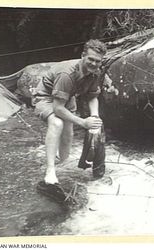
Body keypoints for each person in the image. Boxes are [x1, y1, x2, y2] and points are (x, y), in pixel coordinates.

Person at [34, 39, 107, 185]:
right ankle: (50, 170)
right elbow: (57, 108)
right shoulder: (67, 74)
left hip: (67, 97)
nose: (94, 64)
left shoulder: (96, 72)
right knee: (57, 123)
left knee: (68, 133)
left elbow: (92, 97)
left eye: (97, 61)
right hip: (46, 97)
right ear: (82, 56)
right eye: (90, 59)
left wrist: (95, 118)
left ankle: (64, 165)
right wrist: (83, 122)